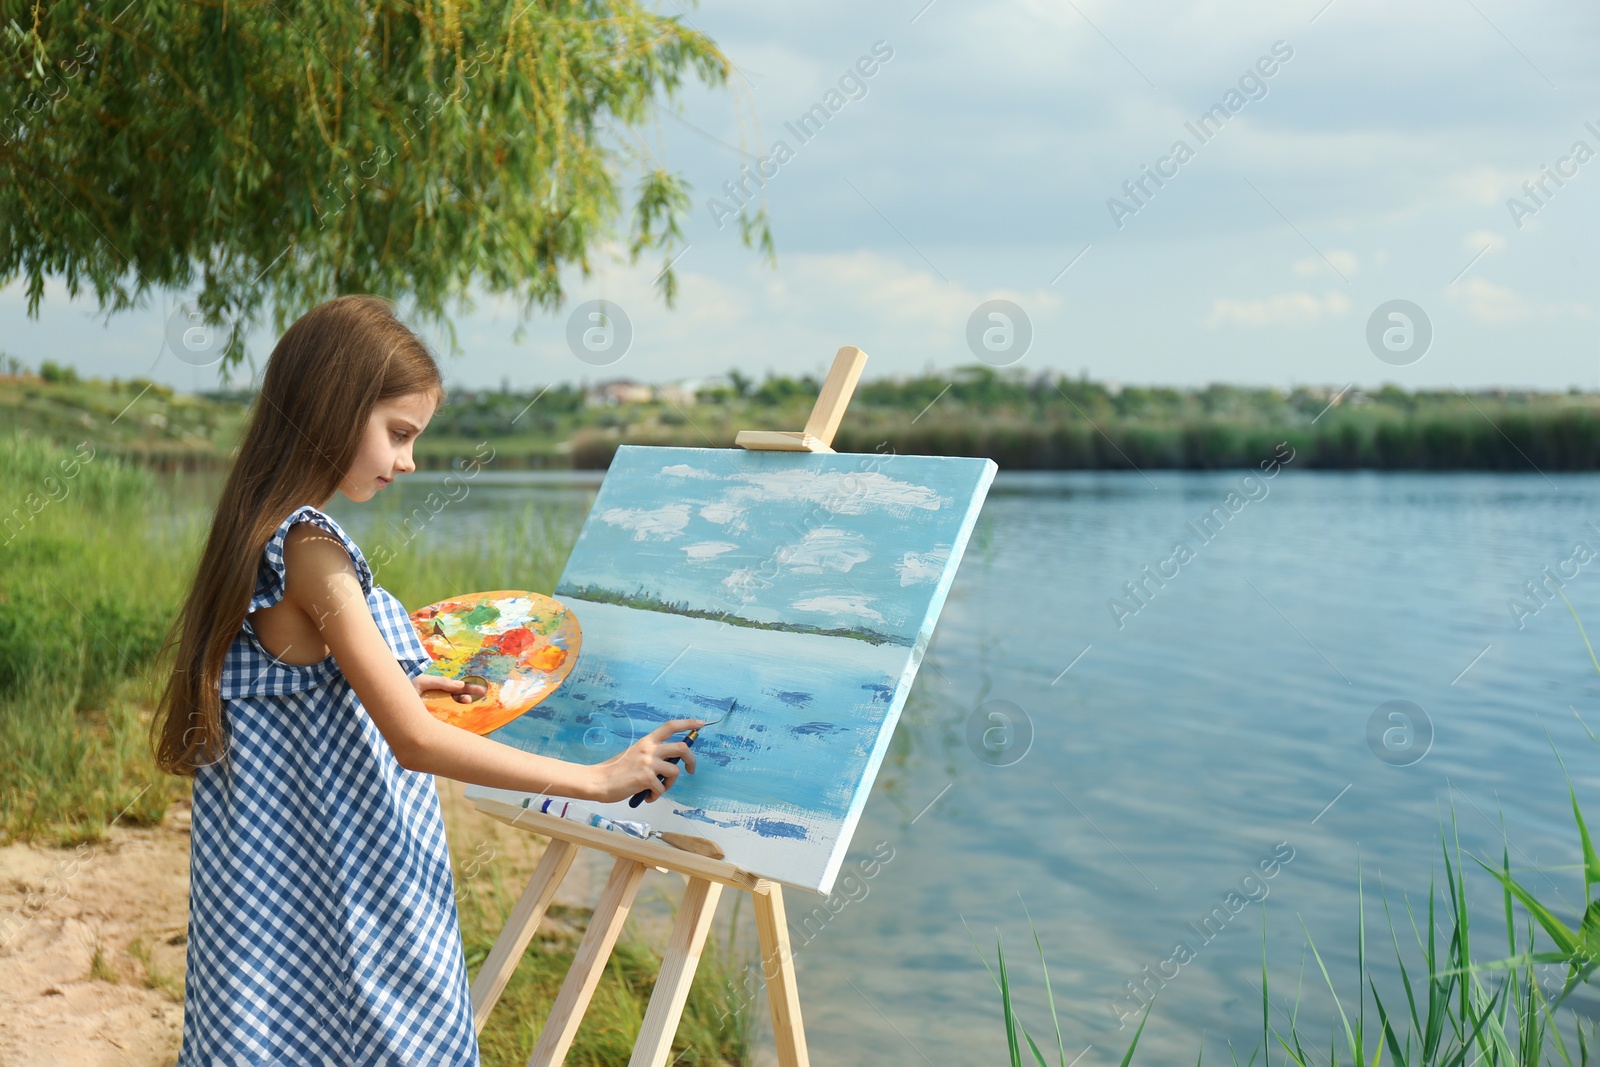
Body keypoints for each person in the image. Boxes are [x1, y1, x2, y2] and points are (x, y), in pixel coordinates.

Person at [149, 294, 704, 1066]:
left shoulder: (259, 528)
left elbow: (299, 690)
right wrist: (599, 777)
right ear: (333, 407)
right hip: (348, 876)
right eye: (399, 433)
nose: (408, 460)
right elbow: (411, 745)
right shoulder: (312, 548)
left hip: (279, 880)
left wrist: (396, 684)